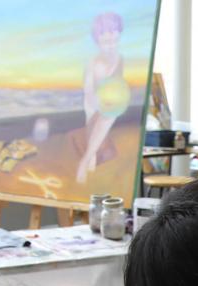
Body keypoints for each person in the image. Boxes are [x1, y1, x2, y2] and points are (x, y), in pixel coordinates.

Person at [76, 12, 129, 184]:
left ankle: (87, 159)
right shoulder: (94, 62)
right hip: (93, 103)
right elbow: (89, 93)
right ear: (97, 40)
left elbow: (119, 85)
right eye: (106, 40)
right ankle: (86, 160)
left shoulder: (120, 58)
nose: (111, 44)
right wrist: (97, 104)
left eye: (114, 38)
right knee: (96, 129)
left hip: (111, 103)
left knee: (108, 119)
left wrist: (116, 99)